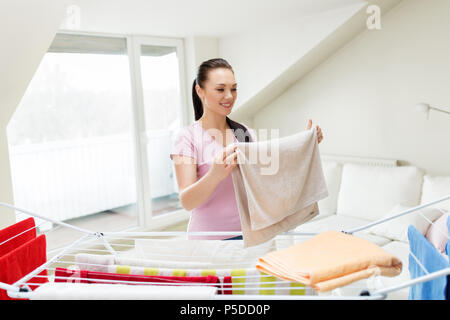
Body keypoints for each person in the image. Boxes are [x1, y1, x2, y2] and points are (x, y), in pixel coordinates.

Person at [169, 58, 323, 240]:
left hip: (253, 235)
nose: (229, 96)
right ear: (199, 91)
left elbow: (267, 179)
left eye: (233, 89)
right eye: (220, 89)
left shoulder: (244, 132)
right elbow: (187, 201)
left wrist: (304, 145)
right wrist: (215, 174)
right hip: (209, 241)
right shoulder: (186, 138)